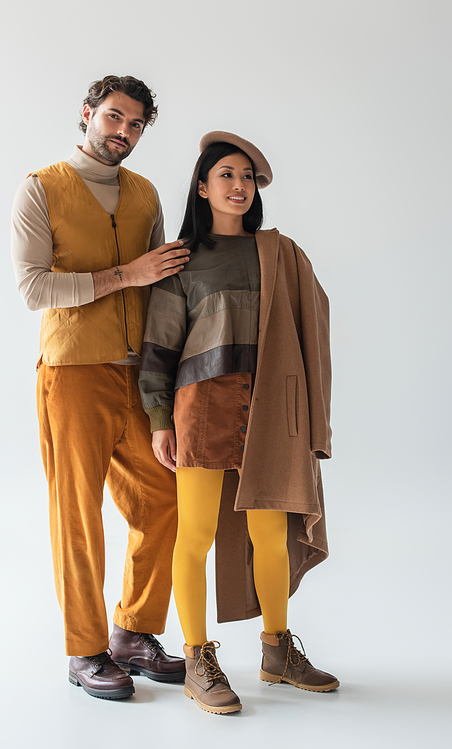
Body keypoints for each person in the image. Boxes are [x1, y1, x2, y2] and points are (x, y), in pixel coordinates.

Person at [139, 131, 339, 714]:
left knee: (270, 534)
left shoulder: (282, 253)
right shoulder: (184, 260)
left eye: (247, 177)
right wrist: (159, 417)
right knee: (195, 535)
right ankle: (199, 657)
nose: (239, 186)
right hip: (201, 409)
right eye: (226, 175)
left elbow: (312, 326)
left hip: (274, 409)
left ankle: (278, 651)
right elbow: (160, 345)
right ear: (202, 187)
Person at [11, 75, 190, 701]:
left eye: (137, 125)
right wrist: (125, 274)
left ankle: (132, 631)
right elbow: (35, 288)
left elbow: (160, 282)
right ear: (88, 114)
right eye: (115, 118)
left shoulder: (143, 194)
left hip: (139, 375)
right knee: (78, 515)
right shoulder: (41, 188)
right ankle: (83, 649)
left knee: (166, 498)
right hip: (73, 374)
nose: (125, 132)